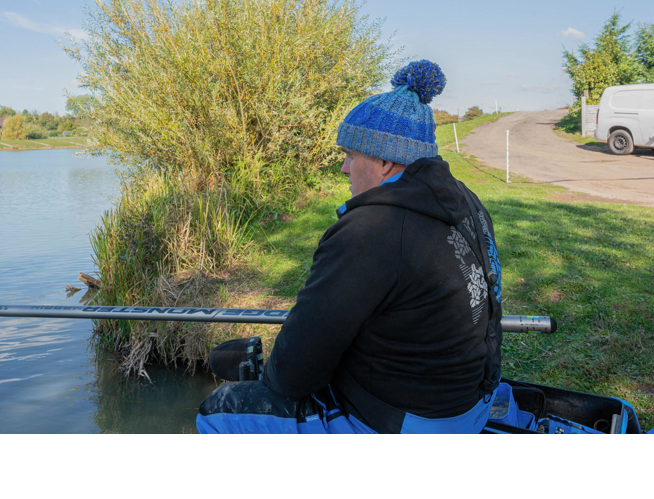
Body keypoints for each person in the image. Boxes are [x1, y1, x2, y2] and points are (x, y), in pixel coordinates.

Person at [197, 60, 502, 434]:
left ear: (385, 161)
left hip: (409, 421)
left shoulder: (370, 231)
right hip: (470, 405)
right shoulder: (466, 201)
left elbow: (293, 374)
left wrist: (268, 379)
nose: (344, 167)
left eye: (352, 155)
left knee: (218, 410)